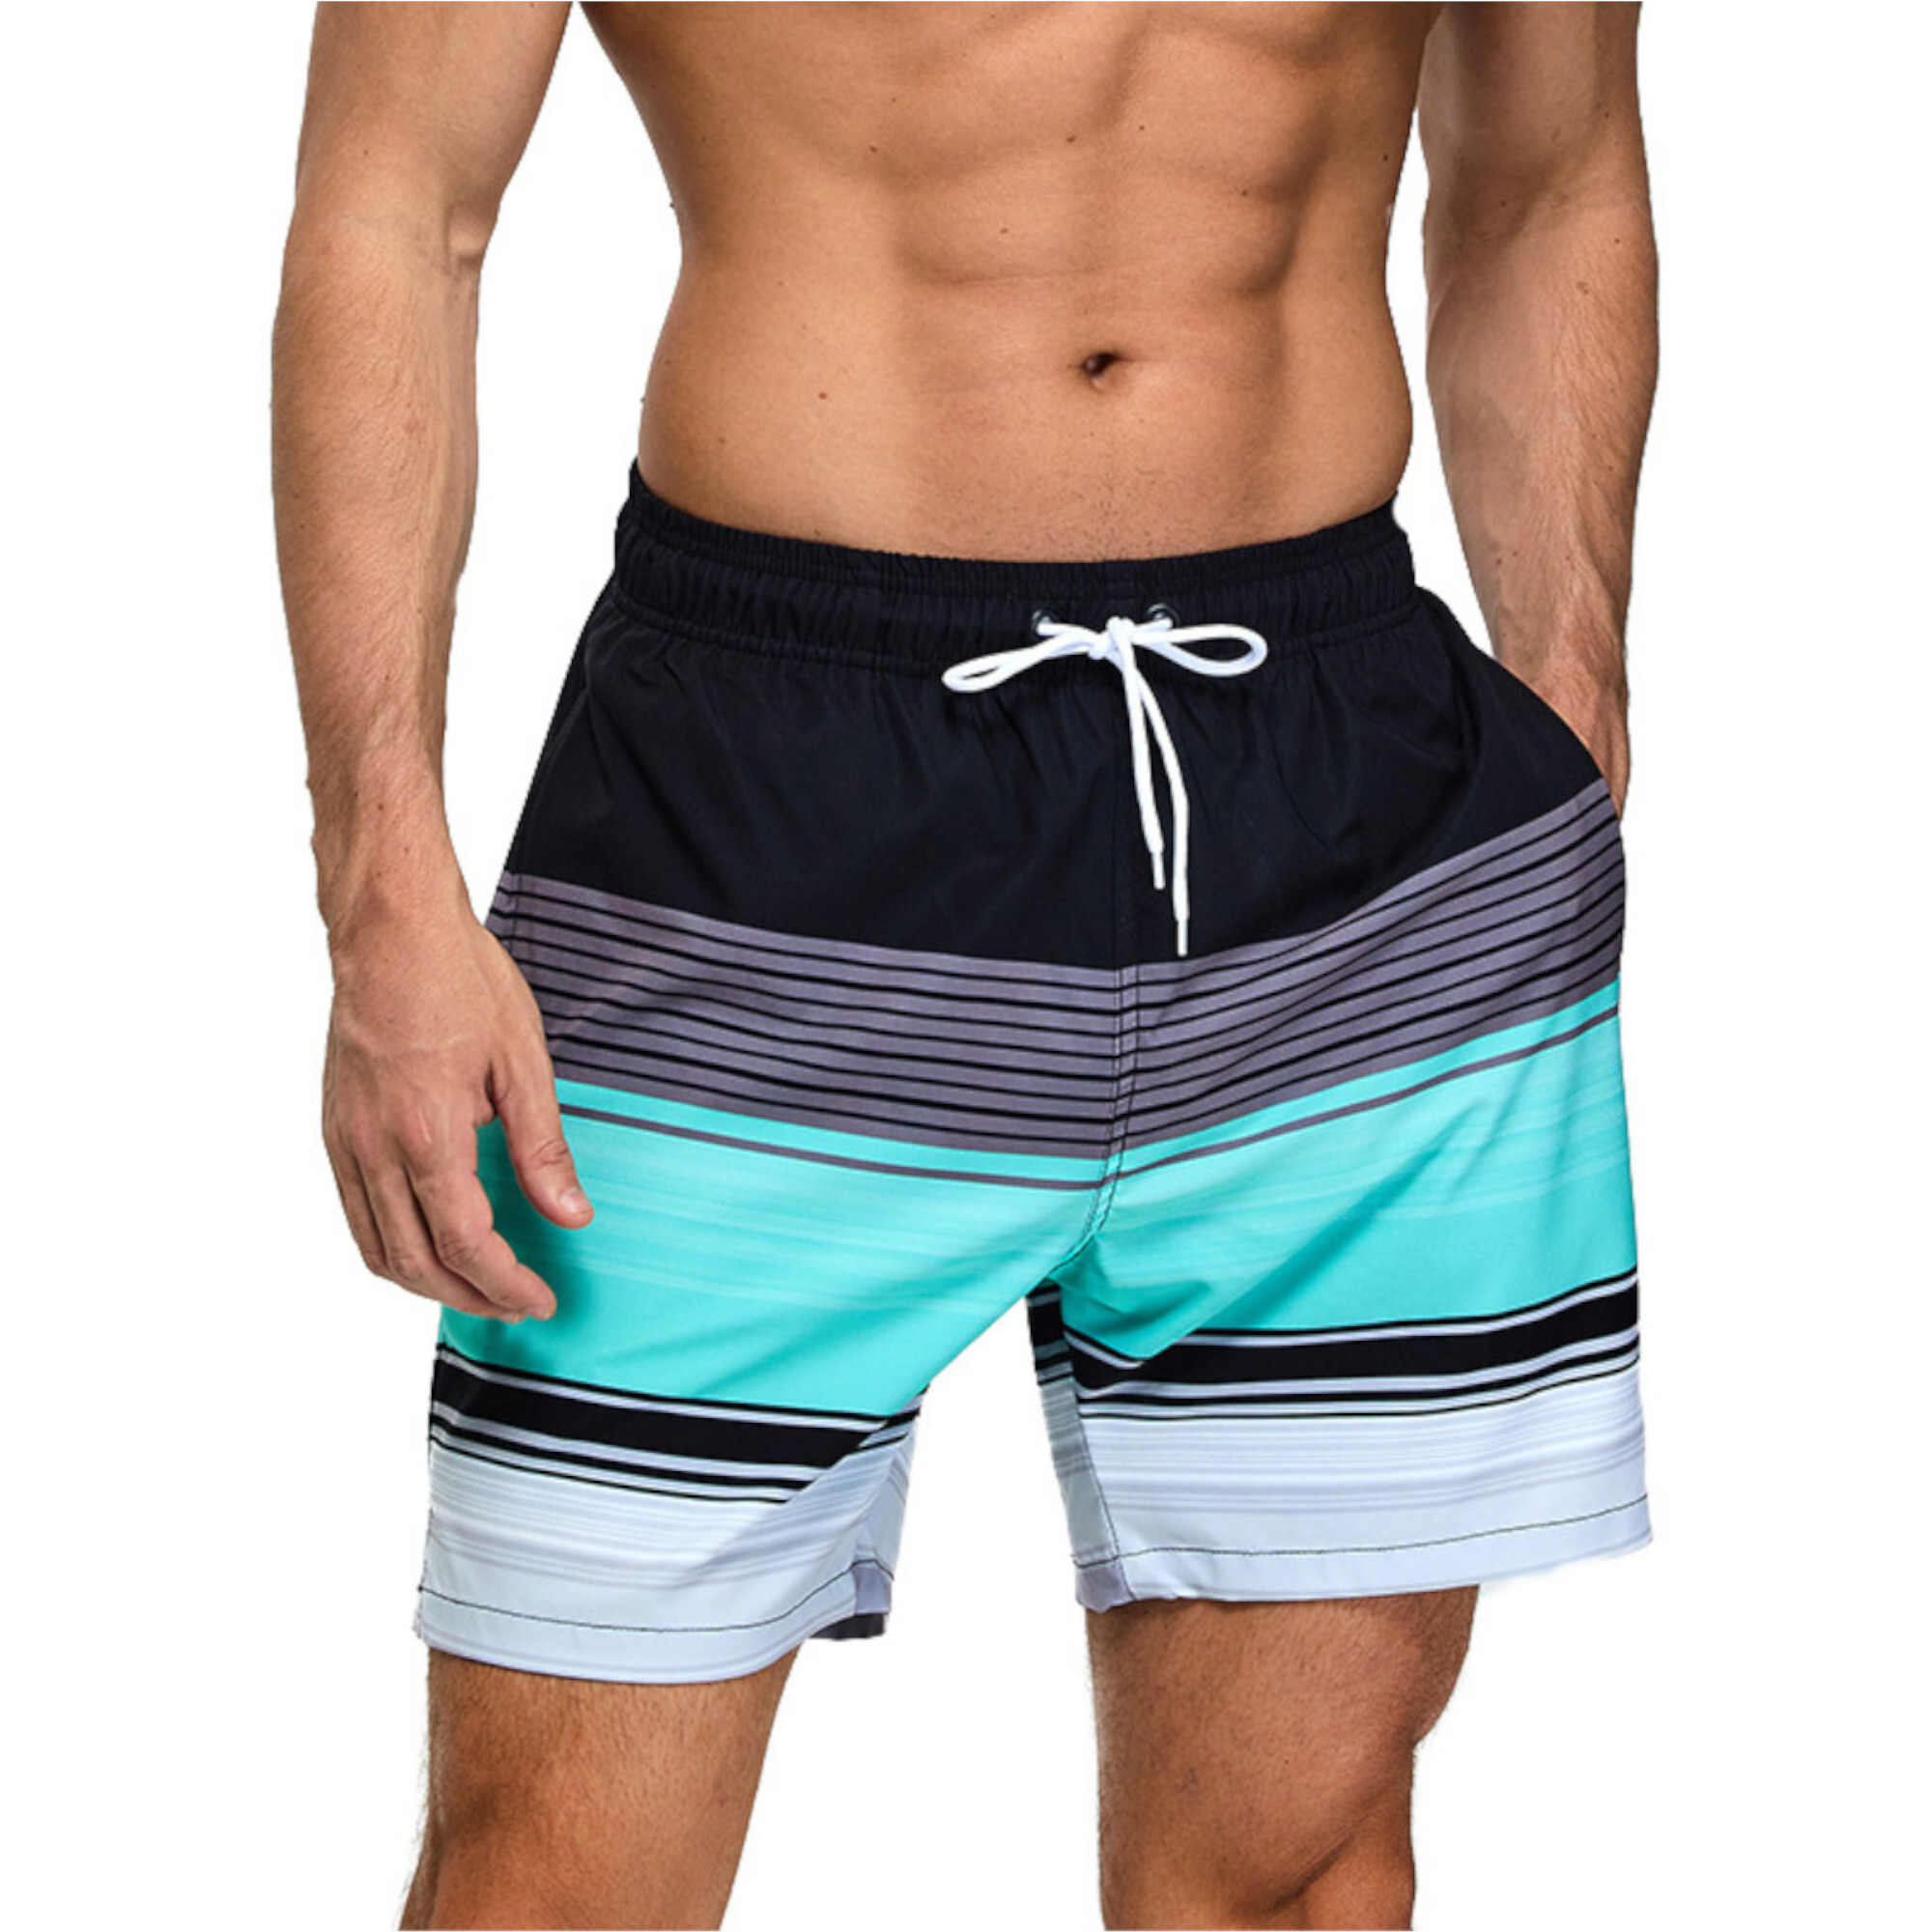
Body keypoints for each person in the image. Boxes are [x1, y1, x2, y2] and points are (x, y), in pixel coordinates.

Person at [271, 4, 1656, 1925]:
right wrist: (383, 892)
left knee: (1297, 1867)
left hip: (1362, 828)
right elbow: (397, 209)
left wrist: (1571, 709)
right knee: (553, 1885)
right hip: (758, 828)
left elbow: (1542, 181)